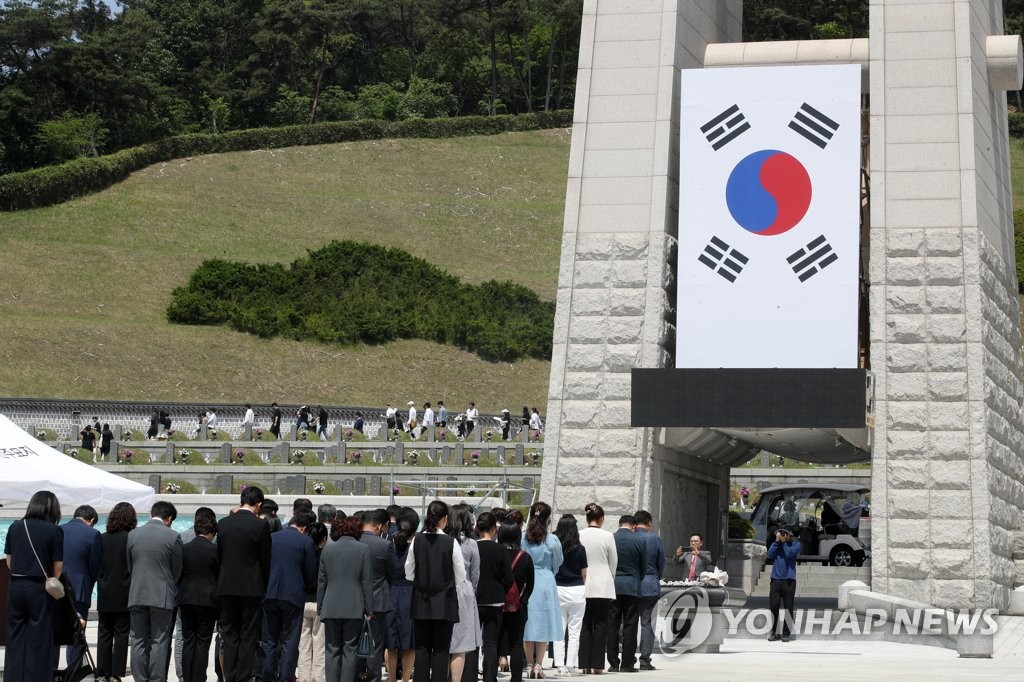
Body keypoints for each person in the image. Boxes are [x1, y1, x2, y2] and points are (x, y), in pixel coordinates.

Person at [3, 490, 63, 682]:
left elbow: (9, 562)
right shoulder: (53, 530)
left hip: (16, 585)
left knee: (15, 636)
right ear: (51, 508)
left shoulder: (15, 527)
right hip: (39, 587)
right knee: (40, 638)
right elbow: (58, 566)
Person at [405, 500, 466, 682]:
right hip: (445, 601)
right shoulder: (450, 542)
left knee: (422, 649)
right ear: (445, 519)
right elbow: (460, 574)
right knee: (441, 650)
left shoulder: (417, 539)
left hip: (421, 600)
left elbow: (408, 571)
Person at [217, 486, 273, 682]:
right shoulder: (260, 526)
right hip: (252, 587)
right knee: (248, 636)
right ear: (258, 504)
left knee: (230, 635)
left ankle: (229, 677)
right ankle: (242, 677)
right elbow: (266, 559)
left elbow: (220, 555)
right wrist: (263, 586)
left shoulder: (223, 524)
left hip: (226, 586)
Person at [127, 500, 184, 682]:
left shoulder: (133, 535)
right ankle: (157, 679)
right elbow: (178, 569)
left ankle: (140, 679)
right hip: (162, 595)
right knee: (159, 641)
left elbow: (130, 565)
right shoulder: (173, 536)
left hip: (136, 594)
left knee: (137, 640)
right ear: (168, 519)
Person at [262, 508, 317, 682]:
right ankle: (286, 677)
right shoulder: (305, 542)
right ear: (304, 528)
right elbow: (311, 573)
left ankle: (267, 677)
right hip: (293, 596)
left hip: (269, 594)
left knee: (269, 641)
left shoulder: (271, 538)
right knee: (290, 642)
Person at [318, 517, 373, 682]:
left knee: (331, 650)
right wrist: (369, 608)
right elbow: (366, 581)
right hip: (354, 606)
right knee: (350, 651)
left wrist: (320, 606)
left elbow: (322, 581)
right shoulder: (363, 549)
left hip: (331, 606)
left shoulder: (327, 550)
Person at [521, 502, 563, 679]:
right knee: (544, 624)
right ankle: (539, 665)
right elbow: (558, 562)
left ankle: (529, 663)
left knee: (528, 623)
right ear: (548, 518)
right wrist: (548, 571)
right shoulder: (552, 539)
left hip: (527, 582)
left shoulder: (523, 537)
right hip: (546, 581)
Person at [97, 502, 137, 682]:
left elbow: (96, 565)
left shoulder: (102, 538)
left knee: (104, 633)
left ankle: (102, 671)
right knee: (122, 634)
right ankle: (116, 672)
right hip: (124, 591)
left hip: (105, 591)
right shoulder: (131, 539)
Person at [59, 504, 103, 671]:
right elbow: (95, 567)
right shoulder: (93, 534)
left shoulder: (59, 530)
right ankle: (73, 671)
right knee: (76, 633)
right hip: (79, 591)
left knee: (54, 632)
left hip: (55, 590)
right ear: (91, 520)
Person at [179, 511, 219, 682]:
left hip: (186, 598)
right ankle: (198, 678)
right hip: (207, 601)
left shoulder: (184, 548)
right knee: (203, 643)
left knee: (188, 641)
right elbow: (219, 575)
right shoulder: (215, 550)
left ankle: (187, 677)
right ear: (211, 533)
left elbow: (178, 574)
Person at [474, 512, 513, 682]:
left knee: (473, 642)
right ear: (493, 529)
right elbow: (509, 578)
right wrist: (500, 588)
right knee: (491, 643)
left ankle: (470, 674)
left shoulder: (471, 546)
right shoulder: (500, 549)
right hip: (495, 599)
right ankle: (490, 678)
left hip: (475, 599)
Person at [359, 508, 396, 682]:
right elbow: (392, 574)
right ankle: (373, 678)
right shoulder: (384, 545)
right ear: (379, 526)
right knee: (376, 644)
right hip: (378, 599)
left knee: (354, 641)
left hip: (355, 599)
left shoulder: (354, 541)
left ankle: (356, 675)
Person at [578, 503, 615, 676]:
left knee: (585, 624)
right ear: (601, 519)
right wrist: (610, 578)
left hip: (583, 582)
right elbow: (613, 561)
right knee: (601, 624)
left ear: (586, 518)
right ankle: (598, 665)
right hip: (603, 582)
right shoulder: (608, 536)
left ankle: (584, 663)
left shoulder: (579, 535)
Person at [446, 506, 481, 682]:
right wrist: (471, 591)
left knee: (444, 641)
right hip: (464, 590)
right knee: (460, 644)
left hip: (444, 589)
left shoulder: (444, 540)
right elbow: (475, 573)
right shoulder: (471, 544)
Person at [607, 515, 645, 673]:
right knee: (630, 625)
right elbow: (643, 566)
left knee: (612, 624)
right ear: (634, 526)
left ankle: (613, 662)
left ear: (619, 524)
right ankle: (628, 663)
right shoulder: (639, 540)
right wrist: (637, 580)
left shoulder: (611, 538)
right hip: (632, 586)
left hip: (613, 586)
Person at [496, 522, 534, 682]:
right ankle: (516, 678)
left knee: (494, 644)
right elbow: (531, 584)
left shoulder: (496, 553)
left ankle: (491, 676)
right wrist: (523, 600)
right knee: (516, 644)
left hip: (496, 605)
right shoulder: (525, 557)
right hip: (517, 606)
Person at [385, 508, 420, 682]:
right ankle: (406, 679)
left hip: (391, 594)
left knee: (390, 643)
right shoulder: (417, 547)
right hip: (411, 595)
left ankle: (392, 679)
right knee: (409, 644)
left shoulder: (389, 544)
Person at [552, 515, 587, 677]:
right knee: (575, 631)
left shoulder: (555, 546)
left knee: (559, 630)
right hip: (577, 590)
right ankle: (571, 664)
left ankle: (559, 664)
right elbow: (584, 573)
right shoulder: (580, 549)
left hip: (558, 589)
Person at [296, 521, 329, 682]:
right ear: (324, 538)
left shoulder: (303, 553)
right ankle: (318, 677)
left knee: (303, 644)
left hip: (302, 602)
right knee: (319, 644)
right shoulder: (326, 555)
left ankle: (303, 677)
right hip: (320, 603)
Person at [632, 511, 663, 671]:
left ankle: (628, 659)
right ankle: (645, 660)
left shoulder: (630, 537)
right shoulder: (655, 538)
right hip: (650, 585)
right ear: (649, 523)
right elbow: (661, 563)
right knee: (648, 624)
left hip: (631, 585)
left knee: (629, 623)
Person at [767, 526, 800, 642]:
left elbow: (789, 554)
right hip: (776, 579)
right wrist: (777, 541)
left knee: (788, 608)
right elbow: (770, 554)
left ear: (790, 535)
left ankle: (786, 633)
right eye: (782, 534)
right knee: (773, 607)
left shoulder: (796, 544)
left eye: (786, 534)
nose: (783, 536)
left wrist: (784, 542)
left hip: (789, 580)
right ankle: (774, 632)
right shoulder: (777, 544)